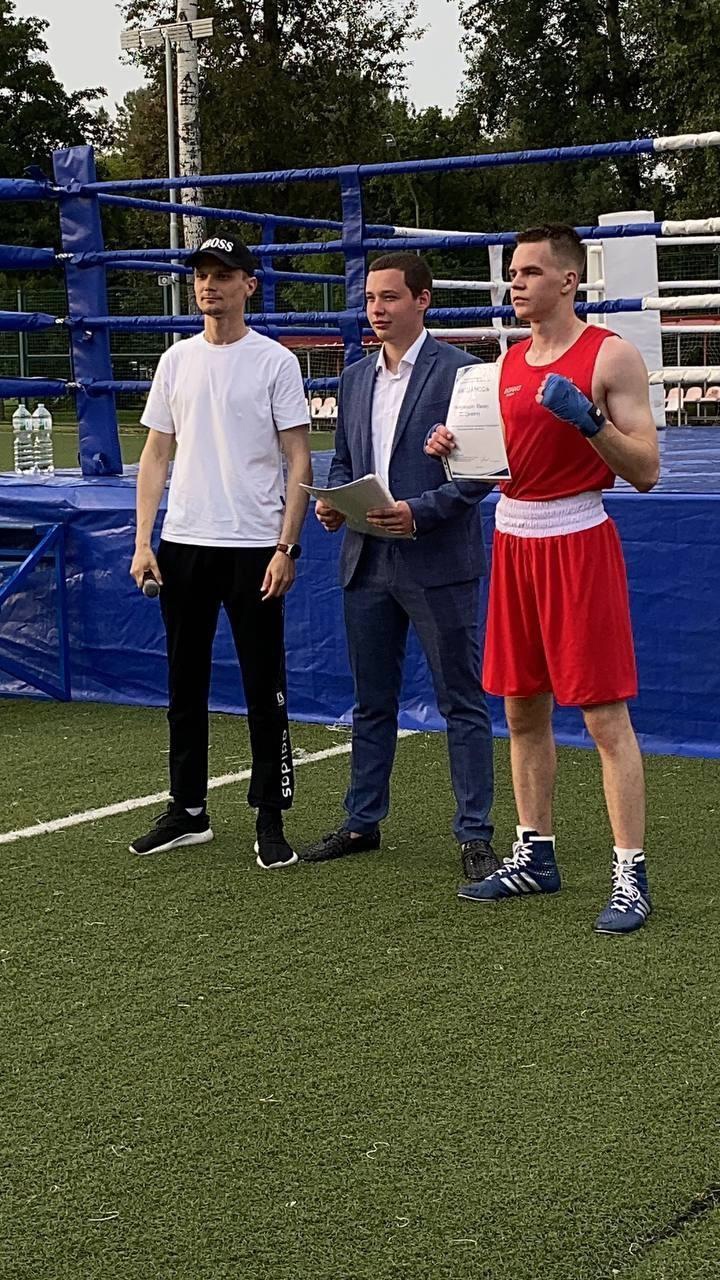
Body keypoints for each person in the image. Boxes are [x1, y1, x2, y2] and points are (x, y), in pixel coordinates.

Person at [426, 224, 660, 934]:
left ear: (568, 280)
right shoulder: (502, 365)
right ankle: (536, 853)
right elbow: (498, 466)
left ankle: (630, 874)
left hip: (578, 539)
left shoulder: (609, 354)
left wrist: (589, 421)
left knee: (604, 717)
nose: (515, 284)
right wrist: (452, 451)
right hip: (514, 538)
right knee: (522, 709)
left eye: (529, 272)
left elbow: (646, 470)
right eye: (513, 274)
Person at [302, 251, 496, 880]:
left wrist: (419, 512)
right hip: (366, 559)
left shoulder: (463, 374)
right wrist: (334, 502)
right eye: (369, 299)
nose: (376, 309)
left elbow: (480, 473)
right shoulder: (355, 377)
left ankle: (475, 835)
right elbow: (344, 459)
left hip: (437, 560)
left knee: (461, 701)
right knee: (371, 701)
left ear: (423, 300)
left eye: (389, 297)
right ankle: (362, 822)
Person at [129, 234, 312, 868]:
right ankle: (188, 810)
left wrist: (287, 546)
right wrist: (143, 541)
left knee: (265, 687)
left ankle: (270, 816)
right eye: (202, 275)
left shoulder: (274, 362)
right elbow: (156, 453)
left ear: (248, 285)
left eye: (223, 275)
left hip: (254, 546)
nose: (209, 285)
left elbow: (298, 458)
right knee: (184, 685)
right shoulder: (176, 360)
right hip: (183, 545)